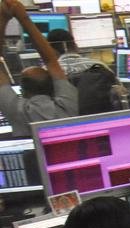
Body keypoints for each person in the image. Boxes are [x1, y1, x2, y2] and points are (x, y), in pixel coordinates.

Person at [0, 0, 78, 136]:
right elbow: (51, 60)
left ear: (23, 92)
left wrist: (3, 19)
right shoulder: (68, 105)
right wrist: (23, 18)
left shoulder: (17, 111)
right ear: (53, 88)